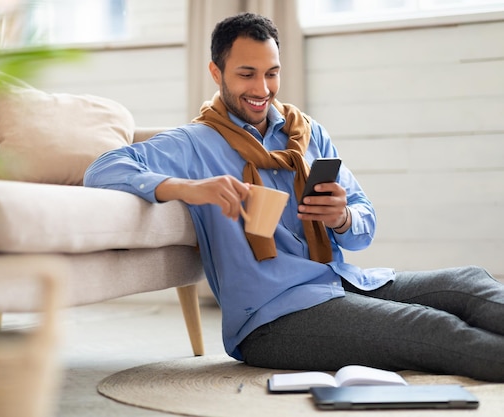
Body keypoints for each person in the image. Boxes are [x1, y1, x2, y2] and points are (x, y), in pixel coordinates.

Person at [84, 12, 504, 381]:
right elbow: (101, 170)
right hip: (272, 319)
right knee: (429, 327)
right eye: (246, 73)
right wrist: (189, 188)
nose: (262, 87)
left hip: (338, 283)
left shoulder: (305, 132)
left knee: (466, 282)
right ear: (217, 73)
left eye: (272, 72)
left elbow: (362, 227)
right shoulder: (193, 144)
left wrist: (340, 218)